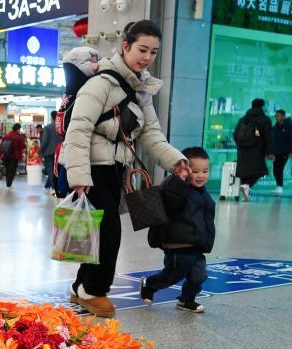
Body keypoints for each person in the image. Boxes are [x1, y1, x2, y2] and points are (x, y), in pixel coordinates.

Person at [59, 19, 187, 318]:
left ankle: (80, 285)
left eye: (154, 52)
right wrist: (79, 177)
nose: (147, 57)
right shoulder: (101, 83)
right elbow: (78, 130)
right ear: (125, 46)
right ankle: (93, 290)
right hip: (92, 168)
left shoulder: (141, 90)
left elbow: (151, 133)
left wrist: (175, 160)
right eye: (142, 49)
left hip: (115, 168)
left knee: (97, 230)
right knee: (108, 231)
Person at [141, 147, 215, 313]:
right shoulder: (175, 187)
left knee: (199, 276)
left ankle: (186, 300)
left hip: (196, 245)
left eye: (205, 171)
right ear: (184, 169)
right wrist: (178, 180)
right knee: (171, 276)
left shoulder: (203, 193)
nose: (201, 175)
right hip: (177, 246)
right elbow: (171, 201)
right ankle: (149, 284)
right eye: (195, 171)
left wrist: (207, 241)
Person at [234, 98, 273, 201]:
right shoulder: (265, 119)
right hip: (257, 150)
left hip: (242, 150)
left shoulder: (243, 119)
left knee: (244, 171)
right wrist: (270, 152)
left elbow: (235, 135)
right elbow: (268, 137)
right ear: (262, 106)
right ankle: (247, 186)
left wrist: (241, 144)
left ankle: (245, 189)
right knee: (260, 170)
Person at [40, 111, 62, 193]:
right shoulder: (61, 127)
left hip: (49, 152)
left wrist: (40, 151)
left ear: (51, 117)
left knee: (50, 170)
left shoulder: (47, 127)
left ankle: (53, 188)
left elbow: (45, 141)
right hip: (59, 151)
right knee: (56, 170)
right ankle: (47, 186)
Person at [0, 123, 26, 189]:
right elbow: (22, 146)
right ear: (18, 129)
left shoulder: (7, 135)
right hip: (14, 156)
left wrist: (0, 154)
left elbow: (2, 145)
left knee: (8, 170)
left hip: (5, 155)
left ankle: (8, 184)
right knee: (12, 171)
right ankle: (8, 185)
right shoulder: (19, 136)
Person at [271, 108, 291, 195]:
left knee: (279, 168)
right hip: (276, 152)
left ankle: (280, 186)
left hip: (285, 152)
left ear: (283, 116)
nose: (276, 117)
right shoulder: (274, 128)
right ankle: (278, 186)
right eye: (275, 116)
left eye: (278, 115)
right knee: (275, 169)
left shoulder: (289, 126)